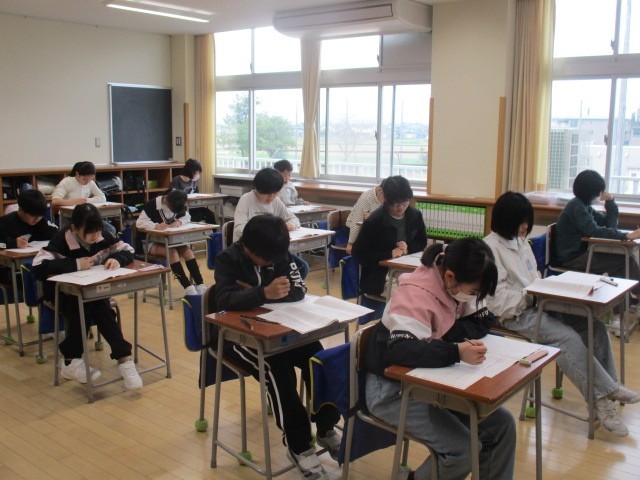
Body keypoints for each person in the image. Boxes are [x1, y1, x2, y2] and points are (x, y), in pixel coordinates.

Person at [485, 191, 640, 437]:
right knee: (566, 338)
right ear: (506, 220)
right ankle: (603, 401)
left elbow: (534, 276)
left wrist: (546, 292)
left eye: (527, 222)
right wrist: (532, 296)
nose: (525, 227)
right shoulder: (490, 249)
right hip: (515, 315)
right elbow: (498, 302)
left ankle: (609, 389)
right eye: (521, 222)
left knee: (593, 325)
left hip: (539, 303)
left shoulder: (520, 242)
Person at [363, 238, 515, 480]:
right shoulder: (415, 295)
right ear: (451, 276)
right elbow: (401, 350)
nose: (475, 297)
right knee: (463, 450)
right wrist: (455, 351)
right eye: (473, 292)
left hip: (429, 381)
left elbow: (484, 319)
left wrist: (445, 338)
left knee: (502, 425)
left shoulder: (455, 283)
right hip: (391, 391)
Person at [214, 214, 340, 480]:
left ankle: (326, 426)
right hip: (239, 338)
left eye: (275, 258)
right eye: (266, 260)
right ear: (248, 248)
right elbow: (223, 299)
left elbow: (298, 289)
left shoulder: (277, 253)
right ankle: (299, 445)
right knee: (277, 370)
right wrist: (263, 292)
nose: (273, 263)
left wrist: (255, 293)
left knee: (320, 359)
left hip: (281, 329)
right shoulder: (229, 259)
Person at [32, 203, 142, 390]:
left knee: (94, 303)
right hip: (62, 294)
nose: (95, 237)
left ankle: (72, 360)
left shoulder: (104, 236)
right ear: (74, 228)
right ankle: (124, 358)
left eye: (97, 231)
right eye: (90, 233)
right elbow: (38, 267)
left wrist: (117, 259)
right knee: (90, 305)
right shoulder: (61, 240)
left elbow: (128, 251)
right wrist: (75, 264)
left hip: (92, 290)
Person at [554, 169, 640, 294]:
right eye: (599, 191)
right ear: (590, 192)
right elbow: (594, 231)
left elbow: (609, 225)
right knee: (626, 261)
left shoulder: (585, 206)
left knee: (625, 260)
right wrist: (626, 235)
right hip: (572, 258)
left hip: (582, 253)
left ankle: (625, 300)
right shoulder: (576, 206)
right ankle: (636, 296)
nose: (600, 194)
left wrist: (610, 203)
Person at [352, 175, 427, 297]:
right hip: (382, 276)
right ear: (386, 199)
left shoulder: (415, 215)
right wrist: (390, 254)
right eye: (396, 203)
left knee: (428, 290)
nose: (401, 207)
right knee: (409, 295)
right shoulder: (374, 221)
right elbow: (359, 254)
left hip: (409, 270)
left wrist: (407, 249)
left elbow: (422, 242)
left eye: (405, 202)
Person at [233, 167, 309, 279]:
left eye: (275, 193)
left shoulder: (276, 201)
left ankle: (284, 289)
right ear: (257, 188)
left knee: (302, 268)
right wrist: (264, 233)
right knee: (270, 274)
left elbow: (294, 219)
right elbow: (239, 229)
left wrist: (289, 225)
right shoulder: (246, 200)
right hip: (250, 251)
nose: (271, 197)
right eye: (268, 193)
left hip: (271, 251)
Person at [136, 189, 207, 296]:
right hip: (149, 243)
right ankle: (187, 287)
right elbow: (139, 223)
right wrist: (156, 225)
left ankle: (200, 283)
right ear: (165, 200)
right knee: (172, 252)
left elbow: (186, 216)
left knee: (187, 250)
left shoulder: (177, 203)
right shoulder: (152, 205)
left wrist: (179, 221)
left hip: (170, 241)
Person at [0, 189, 58, 285]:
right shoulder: (5, 223)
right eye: (33, 216)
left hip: (34, 261)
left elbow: (56, 233)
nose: (37, 219)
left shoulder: (40, 221)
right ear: (21, 210)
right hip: (8, 268)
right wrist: (13, 243)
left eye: (40, 216)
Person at [51, 161, 116, 236]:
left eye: (90, 179)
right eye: (84, 179)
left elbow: (102, 197)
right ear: (77, 174)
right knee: (80, 233)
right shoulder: (67, 182)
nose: (87, 182)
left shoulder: (90, 183)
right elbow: (55, 201)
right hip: (69, 217)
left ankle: (99, 243)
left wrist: (86, 200)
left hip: (86, 216)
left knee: (110, 229)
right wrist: (76, 202)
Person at [169, 158, 216, 224]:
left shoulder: (194, 181)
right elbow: (173, 198)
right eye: (197, 172)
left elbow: (197, 195)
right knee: (197, 216)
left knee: (210, 214)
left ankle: (214, 231)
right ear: (191, 171)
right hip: (181, 209)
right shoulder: (176, 181)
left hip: (193, 207)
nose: (198, 174)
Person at [345, 182, 384, 254]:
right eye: (385, 197)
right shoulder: (366, 197)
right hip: (356, 229)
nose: (386, 200)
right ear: (379, 190)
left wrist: (372, 216)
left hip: (371, 229)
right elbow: (356, 221)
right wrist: (350, 243)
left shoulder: (386, 196)